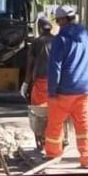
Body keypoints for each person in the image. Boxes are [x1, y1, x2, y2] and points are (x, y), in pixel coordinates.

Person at [45, 5, 88, 168]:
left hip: (64, 91)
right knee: (83, 124)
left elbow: (55, 67)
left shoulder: (60, 39)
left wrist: (52, 90)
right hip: (85, 90)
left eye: (58, 21)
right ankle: (87, 158)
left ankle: (53, 156)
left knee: (55, 124)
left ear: (61, 20)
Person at [25, 16, 55, 149]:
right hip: (57, 82)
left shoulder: (36, 43)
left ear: (39, 28)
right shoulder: (59, 41)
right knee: (55, 110)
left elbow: (30, 64)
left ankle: (42, 138)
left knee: (39, 112)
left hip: (40, 82)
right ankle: (59, 138)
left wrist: (26, 83)